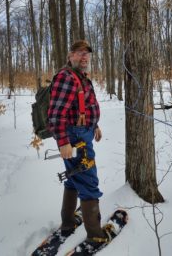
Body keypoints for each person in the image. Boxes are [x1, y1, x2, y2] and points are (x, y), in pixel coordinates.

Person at [47, 40, 108, 247]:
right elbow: (55, 114)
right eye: (79, 53)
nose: (84, 57)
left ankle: (68, 223)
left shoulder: (80, 77)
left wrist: (95, 125)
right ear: (70, 55)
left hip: (84, 132)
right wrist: (63, 142)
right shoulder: (66, 77)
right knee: (89, 182)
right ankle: (95, 235)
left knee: (73, 179)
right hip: (75, 139)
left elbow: (86, 105)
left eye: (87, 54)